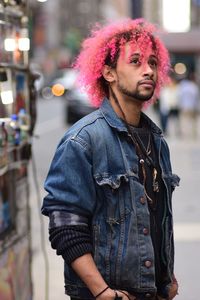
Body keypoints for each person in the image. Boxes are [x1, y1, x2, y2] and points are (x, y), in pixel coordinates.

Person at [41, 18, 180, 300]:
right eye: (136, 62)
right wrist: (102, 291)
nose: (148, 70)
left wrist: (168, 277)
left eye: (153, 63)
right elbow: (65, 226)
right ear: (108, 72)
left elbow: (157, 219)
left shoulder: (157, 141)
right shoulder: (83, 140)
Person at [177, 72, 200, 139]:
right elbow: (197, 98)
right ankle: (193, 134)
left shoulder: (182, 86)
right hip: (193, 107)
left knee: (184, 121)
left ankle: (185, 134)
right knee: (193, 122)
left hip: (184, 106)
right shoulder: (194, 87)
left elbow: (179, 96)